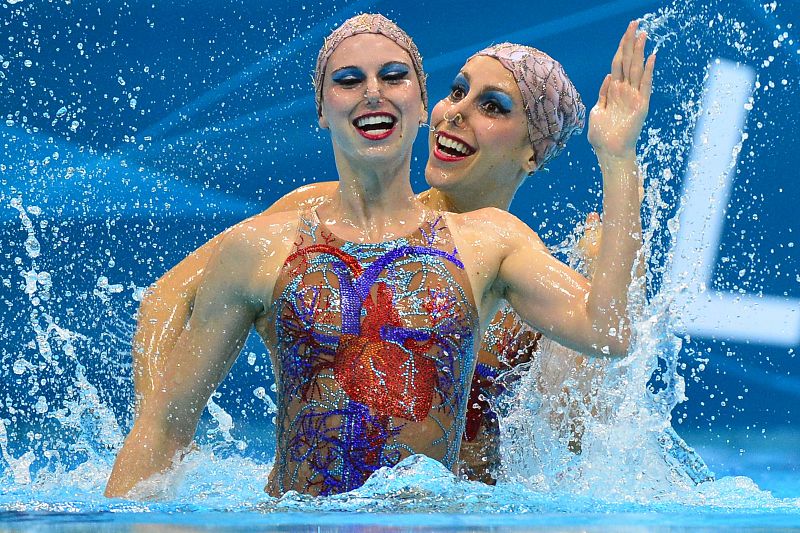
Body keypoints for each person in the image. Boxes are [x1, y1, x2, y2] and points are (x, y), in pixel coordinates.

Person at [106, 13, 648, 498]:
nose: (456, 113)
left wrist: (625, 252)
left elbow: (578, 442)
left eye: (491, 106)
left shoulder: (511, 259)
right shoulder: (307, 222)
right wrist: (163, 437)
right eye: (457, 91)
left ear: (532, 151)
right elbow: (167, 300)